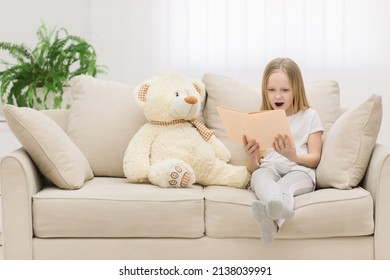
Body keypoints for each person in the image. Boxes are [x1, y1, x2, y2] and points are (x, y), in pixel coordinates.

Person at [243, 57, 323, 243]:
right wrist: (251, 156)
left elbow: (315, 158)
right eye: (271, 90)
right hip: (269, 168)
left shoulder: (310, 116)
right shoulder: (261, 117)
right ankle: (278, 212)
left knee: (285, 186)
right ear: (265, 91)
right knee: (259, 177)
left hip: (299, 170)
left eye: (285, 90)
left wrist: (293, 155)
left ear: (296, 90)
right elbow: (253, 168)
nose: (277, 96)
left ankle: (272, 216)